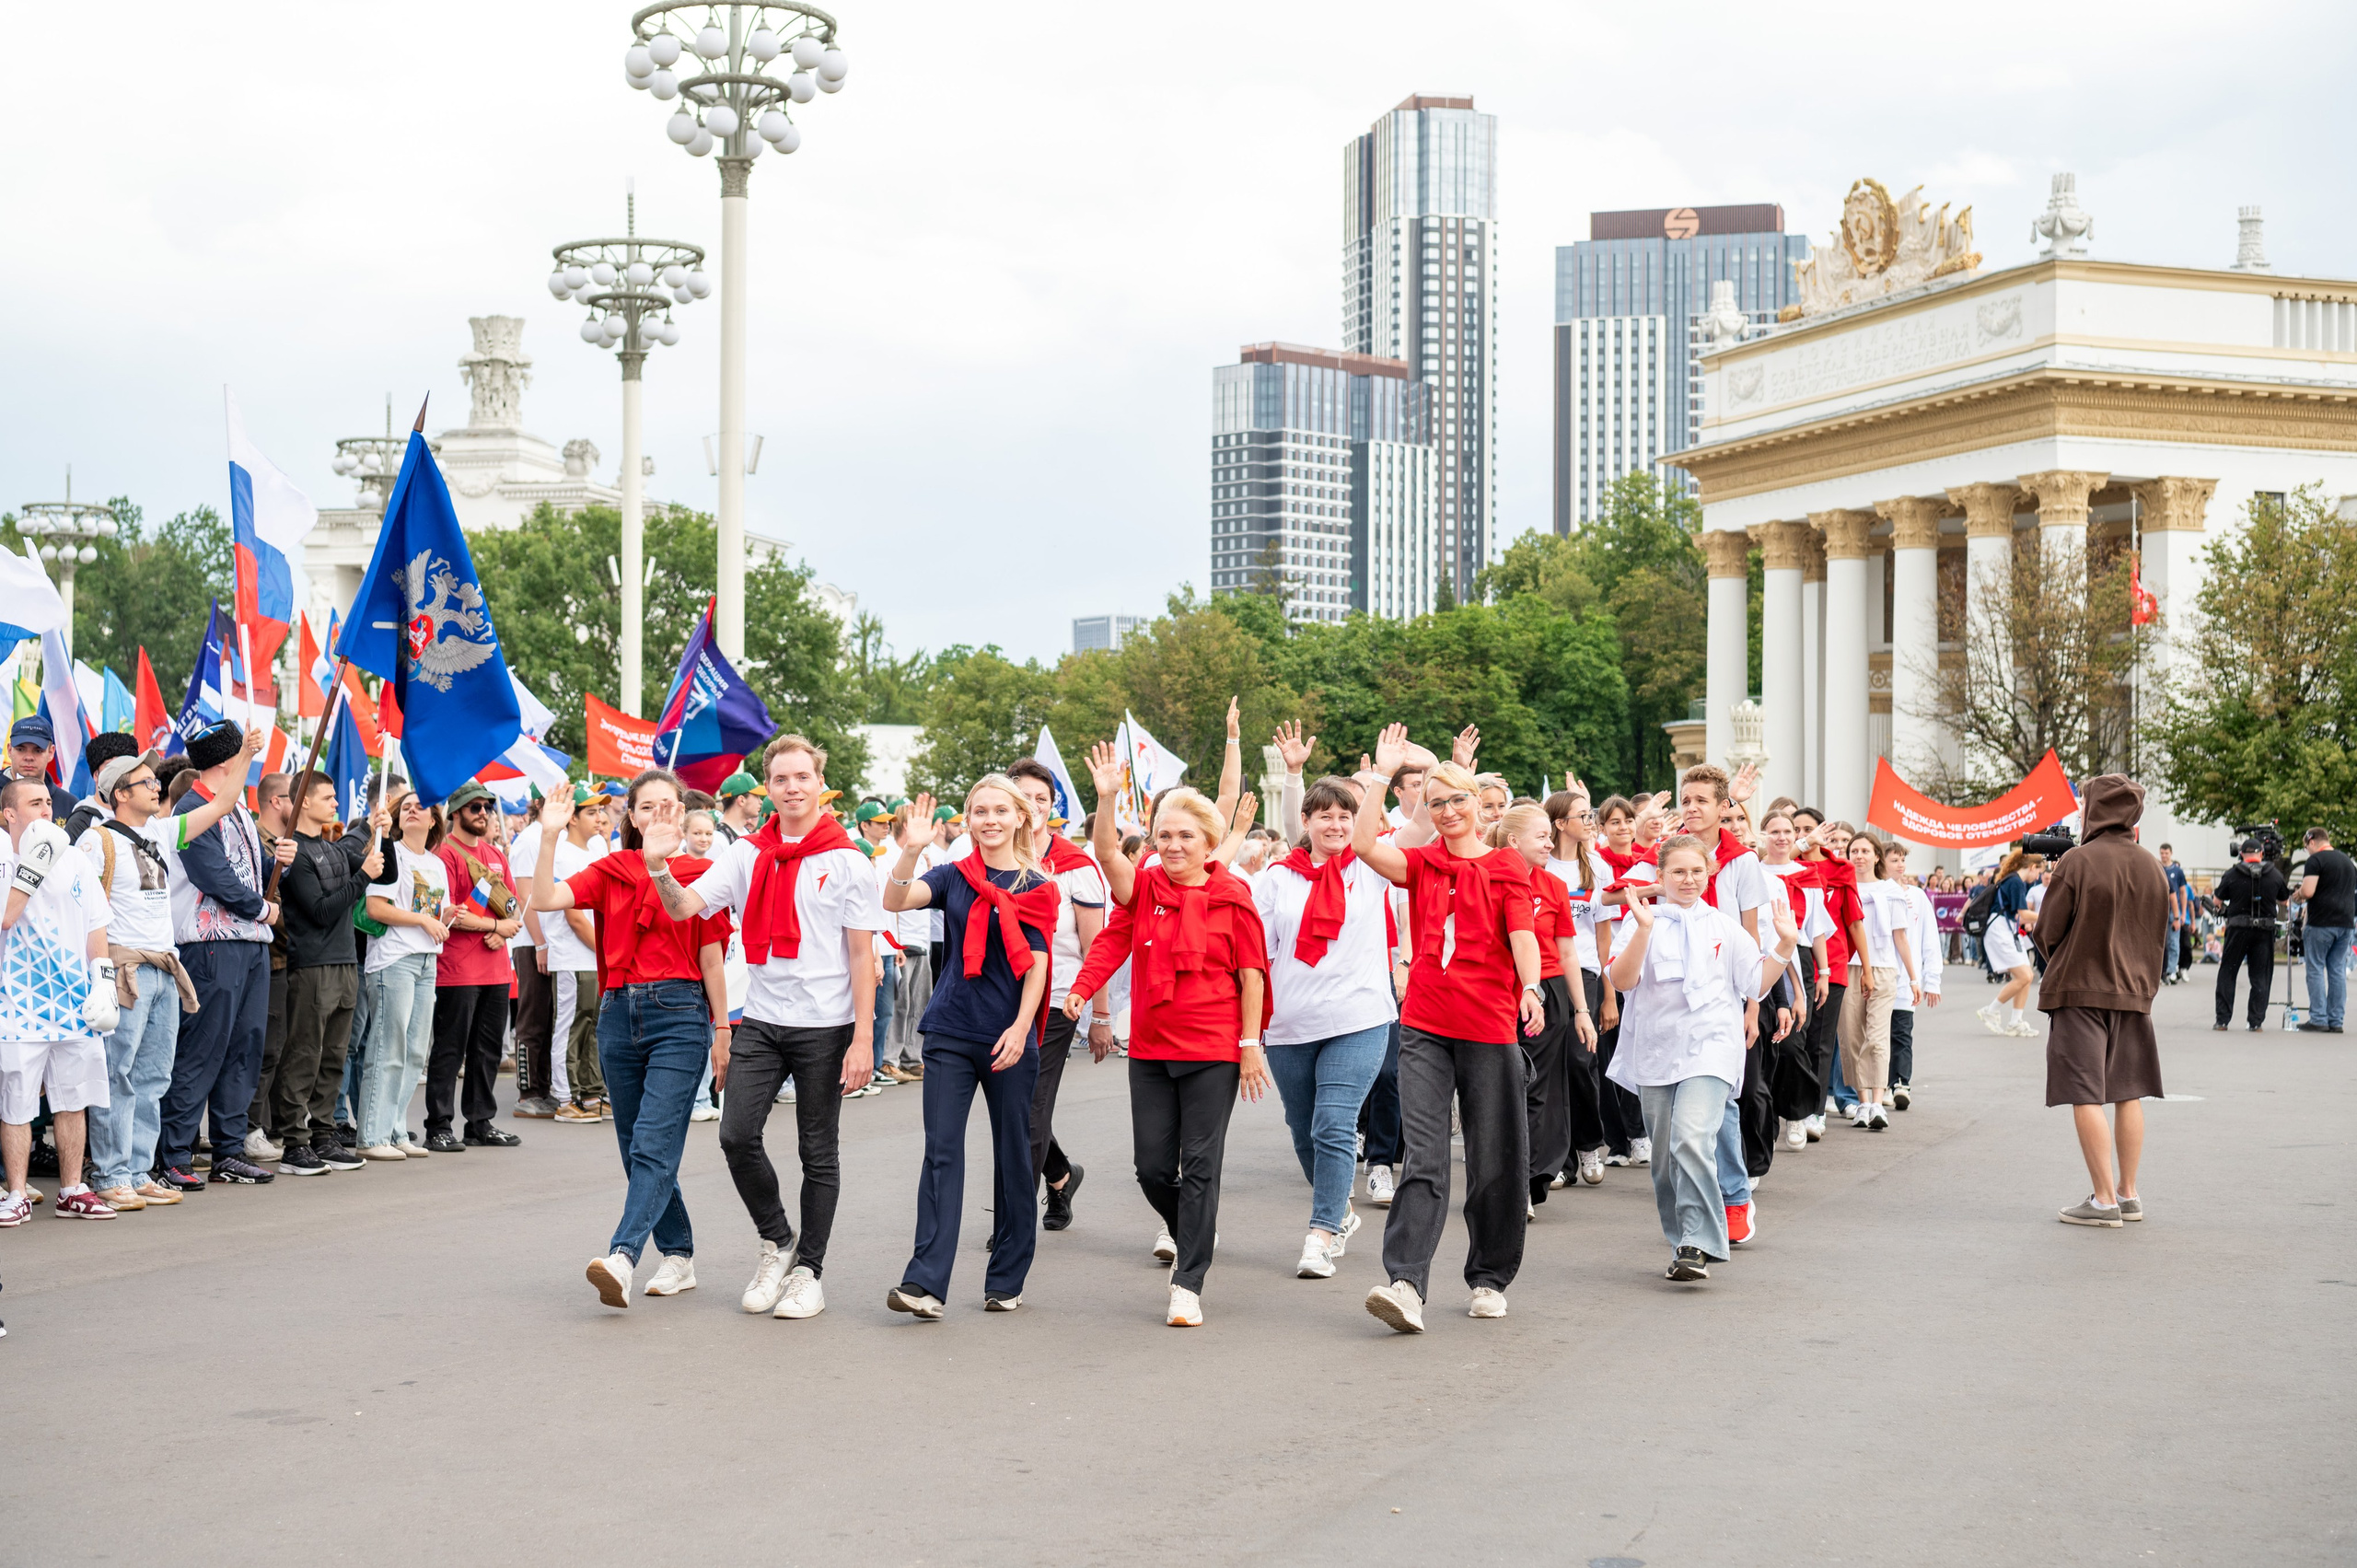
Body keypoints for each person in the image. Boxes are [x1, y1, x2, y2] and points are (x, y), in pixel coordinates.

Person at [639, 734, 881, 1321]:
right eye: (781, 779)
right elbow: (683, 908)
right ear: (767, 788)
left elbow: (860, 956)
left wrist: (864, 1039)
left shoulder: (849, 861)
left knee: (816, 1152)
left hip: (826, 1026)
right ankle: (778, 1241)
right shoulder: (747, 853)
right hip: (764, 1021)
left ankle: (809, 1272)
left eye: (803, 777)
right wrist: (656, 864)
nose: (792, 788)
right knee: (735, 1135)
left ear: (820, 783)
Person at [1066, 749, 1270, 1329]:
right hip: (1153, 1045)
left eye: (1185, 836)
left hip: (1213, 1047)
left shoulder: (1233, 896)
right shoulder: (1146, 889)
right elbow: (1110, 921)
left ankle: (1189, 1283)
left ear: (1209, 842)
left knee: (1201, 1163)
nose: (1173, 845)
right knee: (1152, 1167)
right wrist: (1084, 988)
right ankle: (1194, 1226)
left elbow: (1252, 974)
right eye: (1163, 836)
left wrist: (1249, 1044)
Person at [1353, 732, 1543, 1334]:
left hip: (1489, 1027)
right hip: (1426, 1027)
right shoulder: (1423, 862)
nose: (1446, 811)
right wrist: (1382, 775)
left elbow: (1523, 936)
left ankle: (1489, 1276)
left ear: (1477, 803)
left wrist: (1531, 988)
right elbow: (1363, 845)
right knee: (1426, 1159)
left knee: (1494, 1160)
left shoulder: (1507, 865)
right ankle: (1405, 1281)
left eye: (1455, 800)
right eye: (1435, 803)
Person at [532, 774, 732, 1309]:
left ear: (684, 815)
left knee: (651, 1142)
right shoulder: (611, 870)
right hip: (618, 1012)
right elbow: (547, 898)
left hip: (681, 1013)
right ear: (633, 817)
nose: (660, 813)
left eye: (670, 805)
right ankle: (680, 1254)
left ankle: (622, 1257)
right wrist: (550, 834)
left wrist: (722, 1028)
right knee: (636, 1148)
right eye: (648, 806)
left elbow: (712, 959)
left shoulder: (704, 874)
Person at [877, 777, 1057, 1317]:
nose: (990, 820)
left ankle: (1006, 1277)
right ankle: (925, 1284)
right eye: (979, 811)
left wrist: (1023, 1027)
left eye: (1001, 810)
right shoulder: (954, 876)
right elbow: (896, 899)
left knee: (1012, 1158)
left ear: (1020, 817)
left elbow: (1039, 965)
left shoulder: (1039, 887)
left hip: (1008, 1037)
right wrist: (909, 850)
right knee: (942, 1153)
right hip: (952, 1031)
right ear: (969, 820)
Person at [1607, 833, 1798, 1281]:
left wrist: (1784, 946)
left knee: (1691, 1138)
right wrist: (1644, 930)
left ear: (1709, 872)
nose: (1688, 879)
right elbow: (1621, 979)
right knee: (1664, 1159)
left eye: (1696, 870)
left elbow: (1755, 983)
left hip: (1711, 1047)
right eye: (1678, 871)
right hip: (1656, 1048)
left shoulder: (1724, 927)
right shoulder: (1641, 921)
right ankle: (1683, 1242)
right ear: (1661, 876)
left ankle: (1699, 1242)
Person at [76, 749, 246, 1210]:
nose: (157, 787)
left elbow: (223, 804)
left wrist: (247, 754)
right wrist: (99, 974)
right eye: (147, 782)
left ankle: (137, 1170)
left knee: (153, 1076)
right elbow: (82, 911)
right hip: (124, 968)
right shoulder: (95, 842)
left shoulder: (161, 831)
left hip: (165, 968)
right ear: (120, 794)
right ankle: (111, 1174)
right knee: (118, 1074)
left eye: (155, 780)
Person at [1254, 774, 1396, 1279]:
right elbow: (1254, 955)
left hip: (1359, 1018)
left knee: (1335, 1123)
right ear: (1307, 822)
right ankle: (1340, 1208)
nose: (1335, 824)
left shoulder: (1372, 867)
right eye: (1325, 816)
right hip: (1291, 1023)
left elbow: (1420, 826)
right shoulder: (1275, 878)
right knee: (1304, 1128)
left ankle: (1322, 1233)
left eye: (1346, 816)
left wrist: (1385, 773)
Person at [2032, 775, 2169, 1227]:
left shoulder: (2077, 861)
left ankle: (2104, 1200)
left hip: (2080, 990)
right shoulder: (2153, 865)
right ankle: (2128, 1194)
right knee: (2129, 1091)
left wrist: (2062, 963)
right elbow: (2160, 936)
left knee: (2084, 1091)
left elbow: (2046, 932)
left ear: (2094, 809)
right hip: (2133, 992)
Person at [155, 721, 283, 1191]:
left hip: (249, 945)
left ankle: (229, 1150)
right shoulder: (192, 808)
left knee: (243, 1047)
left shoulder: (242, 812)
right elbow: (215, 877)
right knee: (202, 1049)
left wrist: (277, 866)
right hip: (210, 946)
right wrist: (263, 907)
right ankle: (174, 1153)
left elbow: (251, 872)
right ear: (229, 762)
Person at [0, 778, 119, 1224]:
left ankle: (72, 1189)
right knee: (16, 1100)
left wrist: (103, 982)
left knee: (73, 1099)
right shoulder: (2, 854)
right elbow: (7, 917)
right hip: (16, 999)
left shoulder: (75, 859)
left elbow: (96, 928)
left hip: (73, 999)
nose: (47, 809)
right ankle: (16, 1194)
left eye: (49, 802)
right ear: (9, 814)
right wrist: (35, 860)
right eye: (34, 803)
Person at [1004, 758, 1108, 1232]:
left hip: (1056, 1000)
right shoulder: (986, 860)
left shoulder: (1075, 867)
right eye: (1022, 797)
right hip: (1000, 1000)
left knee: (1029, 1106)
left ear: (1052, 807)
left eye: (1041, 799)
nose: (1032, 807)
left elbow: (1096, 946)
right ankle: (1061, 1174)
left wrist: (1100, 1014)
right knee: (1013, 1105)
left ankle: (1013, 1220)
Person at [270, 772, 387, 1176]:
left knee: (335, 1057)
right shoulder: (294, 853)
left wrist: (381, 836)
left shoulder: (334, 848)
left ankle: (324, 1133)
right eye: (329, 797)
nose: (337, 803)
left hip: (344, 965)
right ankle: (293, 1143)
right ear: (303, 801)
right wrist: (363, 876)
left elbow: (382, 874)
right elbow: (321, 911)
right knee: (304, 1055)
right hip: (312, 966)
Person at [1492, 803, 1596, 1214]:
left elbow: (1567, 951)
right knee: (1504, 1085)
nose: (1550, 842)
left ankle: (1528, 1178)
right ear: (1514, 841)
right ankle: (1504, 1175)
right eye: (1541, 836)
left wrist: (1581, 1010)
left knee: (1536, 1086)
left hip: (1548, 994)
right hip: (1499, 991)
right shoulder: (1486, 877)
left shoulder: (1553, 885)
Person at [424, 782, 525, 1153]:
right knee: (450, 1049)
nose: (482, 812)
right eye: (474, 807)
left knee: (488, 1051)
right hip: (458, 970)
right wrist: (498, 926)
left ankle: (480, 1123)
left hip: (497, 968)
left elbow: (512, 905)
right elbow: (454, 915)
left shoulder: (495, 853)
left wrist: (504, 929)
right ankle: (438, 1125)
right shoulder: (444, 854)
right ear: (455, 813)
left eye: (486, 807)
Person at [355, 786, 449, 1160]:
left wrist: (443, 918)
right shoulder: (389, 852)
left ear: (433, 820)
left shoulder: (437, 862)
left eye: (420, 807)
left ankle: (395, 1131)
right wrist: (424, 920)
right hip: (394, 959)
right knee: (387, 1048)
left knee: (413, 1053)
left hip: (428, 960)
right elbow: (376, 907)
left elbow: (429, 913)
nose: (412, 810)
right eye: (405, 807)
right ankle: (372, 1135)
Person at [1541, 786, 1613, 1188]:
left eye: (1591, 815)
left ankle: (1589, 1143)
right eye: (1583, 816)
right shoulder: (1541, 864)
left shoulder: (1597, 868)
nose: (1590, 822)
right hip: (1545, 973)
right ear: (1559, 824)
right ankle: (1560, 1159)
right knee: (1550, 1067)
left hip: (1584, 971)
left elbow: (1604, 937)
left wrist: (1608, 992)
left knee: (1580, 1061)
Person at [1757, 809, 1830, 1148]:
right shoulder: (1752, 872)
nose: (1782, 837)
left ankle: (1798, 1114)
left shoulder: (1807, 875)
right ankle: (1766, 1119)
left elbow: (1816, 931)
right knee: (1765, 1044)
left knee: (1792, 1043)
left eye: (1787, 831)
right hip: (1759, 955)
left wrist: (1824, 973)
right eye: (1775, 831)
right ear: (1764, 835)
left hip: (1796, 960)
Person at [538, 784, 610, 1124]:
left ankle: (592, 1092)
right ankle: (565, 1098)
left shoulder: (596, 849)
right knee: (570, 1027)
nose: (601, 817)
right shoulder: (564, 854)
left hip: (594, 956)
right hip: (573, 954)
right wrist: (606, 951)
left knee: (594, 1026)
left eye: (601, 810)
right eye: (592, 812)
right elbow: (576, 916)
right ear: (573, 818)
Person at [1840, 831, 1919, 1132]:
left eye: (1864, 850)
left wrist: (1914, 977)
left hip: (1883, 968)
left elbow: (1901, 936)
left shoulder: (1891, 891)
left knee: (1877, 1035)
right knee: (1850, 1036)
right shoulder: (1842, 886)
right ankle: (1861, 1102)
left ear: (1876, 856)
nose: (1858, 856)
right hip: (1848, 967)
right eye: (1853, 851)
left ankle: (1877, 1100)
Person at [506, 789, 558, 1121]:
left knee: (551, 1017)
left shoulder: (554, 837)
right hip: (531, 940)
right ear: (539, 804)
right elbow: (525, 897)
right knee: (533, 1017)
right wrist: (540, 942)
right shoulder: (529, 840)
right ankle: (528, 1092)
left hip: (554, 941)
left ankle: (546, 1087)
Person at [1883, 842, 1943, 1109]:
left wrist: (1932, 980)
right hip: (1881, 976)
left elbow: (1930, 939)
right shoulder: (1876, 892)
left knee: (1902, 1033)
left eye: (1902, 860)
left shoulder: (1918, 896)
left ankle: (1901, 1084)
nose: (1900, 865)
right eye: (1894, 860)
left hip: (1909, 981)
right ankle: (1880, 1084)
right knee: (1878, 1035)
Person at [2212, 838, 2288, 1032]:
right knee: (2261, 976)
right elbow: (2284, 900)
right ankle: (2255, 1022)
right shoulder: (2275, 874)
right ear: (2261, 853)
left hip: (2238, 929)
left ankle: (2222, 1021)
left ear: (2241, 854)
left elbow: (2217, 900)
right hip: (2264, 931)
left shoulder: (2232, 874)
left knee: (2228, 972)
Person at [1977, 849, 2046, 1039]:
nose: (2038, 876)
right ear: (2032, 867)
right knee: (2024, 976)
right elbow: (2023, 914)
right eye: (2038, 872)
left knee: (2027, 976)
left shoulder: (2012, 879)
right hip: (2000, 930)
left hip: (2005, 929)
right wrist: (2048, 917)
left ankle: (2015, 1022)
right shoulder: (2016, 881)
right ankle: (1991, 1010)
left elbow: (2019, 915)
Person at [2294, 828, 2353, 1034]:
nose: (2307, 851)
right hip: (2345, 923)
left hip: (2321, 923)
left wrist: (2299, 894)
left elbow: (2309, 891)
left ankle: (2318, 1018)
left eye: (2305, 847)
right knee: (2337, 970)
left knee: (2316, 968)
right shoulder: (2348, 861)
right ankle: (2336, 1020)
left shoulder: (2316, 861)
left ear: (2312, 842)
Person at [6, 715, 80, 821]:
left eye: (38, 751)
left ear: (51, 752)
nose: (28, 757)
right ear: (9, 750)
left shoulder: (69, 805)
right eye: (21, 749)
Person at [2157, 843, 2189, 987]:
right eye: (2162, 853)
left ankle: (2171, 971)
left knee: (2173, 943)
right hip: (2159, 910)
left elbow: (2182, 893)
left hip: (2173, 910)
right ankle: (2161, 971)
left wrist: (2182, 914)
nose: (2164, 856)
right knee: (2160, 943)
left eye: (2166, 853)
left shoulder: (2177, 871)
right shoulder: (2157, 868)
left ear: (2171, 853)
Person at [714, 772, 762, 842]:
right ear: (741, 800)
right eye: (757, 797)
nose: (760, 802)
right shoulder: (719, 838)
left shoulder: (746, 832)